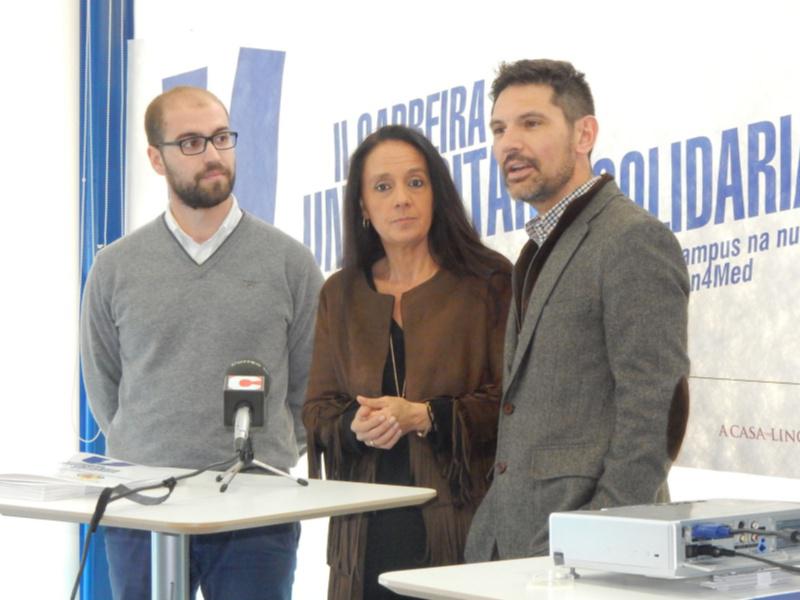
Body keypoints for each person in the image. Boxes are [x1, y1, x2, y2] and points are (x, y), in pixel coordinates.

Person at [80, 86, 323, 600]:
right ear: (156, 158)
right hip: (142, 502)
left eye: (221, 137)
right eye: (191, 142)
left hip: (257, 506)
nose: (212, 154)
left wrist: (270, 453)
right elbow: (104, 385)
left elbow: (308, 385)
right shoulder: (115, 267)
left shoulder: (289, 262)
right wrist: (147, 446)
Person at [464, 59, 690, 562]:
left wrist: (603, 531)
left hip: (586, 549)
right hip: (513, 544)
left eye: (531, 123)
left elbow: (657, 406)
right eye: (499, 129)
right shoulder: (535, 249)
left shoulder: (632, 238)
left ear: (584, 134)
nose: (509, 144)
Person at [302, 125, 512, 599]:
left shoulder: (489, 280)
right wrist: (354, 425)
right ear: (362, 206)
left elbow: (514, 401)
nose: (402, 199)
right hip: (364, 534)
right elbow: (316, 409)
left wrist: (424, 415)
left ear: (437, 193)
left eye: (416, 182)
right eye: (383, 187)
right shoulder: (340, 292)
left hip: (461, 527)